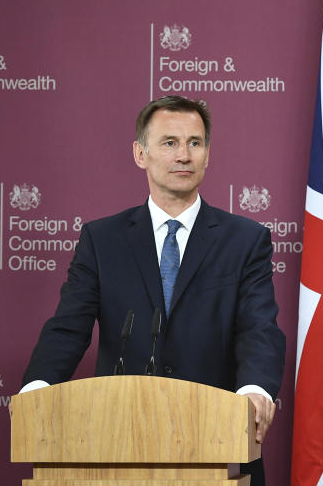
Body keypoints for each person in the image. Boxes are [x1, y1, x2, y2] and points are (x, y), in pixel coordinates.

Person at [20, 95, 286, 486]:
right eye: (169, 143)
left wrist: (254, 391)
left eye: (195, 143)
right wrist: (36, 390)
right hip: (116, 443)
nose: (184, 155)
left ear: (208, 154)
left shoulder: (246, 240)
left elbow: (259, 327)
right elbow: (68, 326)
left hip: (218, 444)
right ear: (140, 153)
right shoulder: (102, 239)